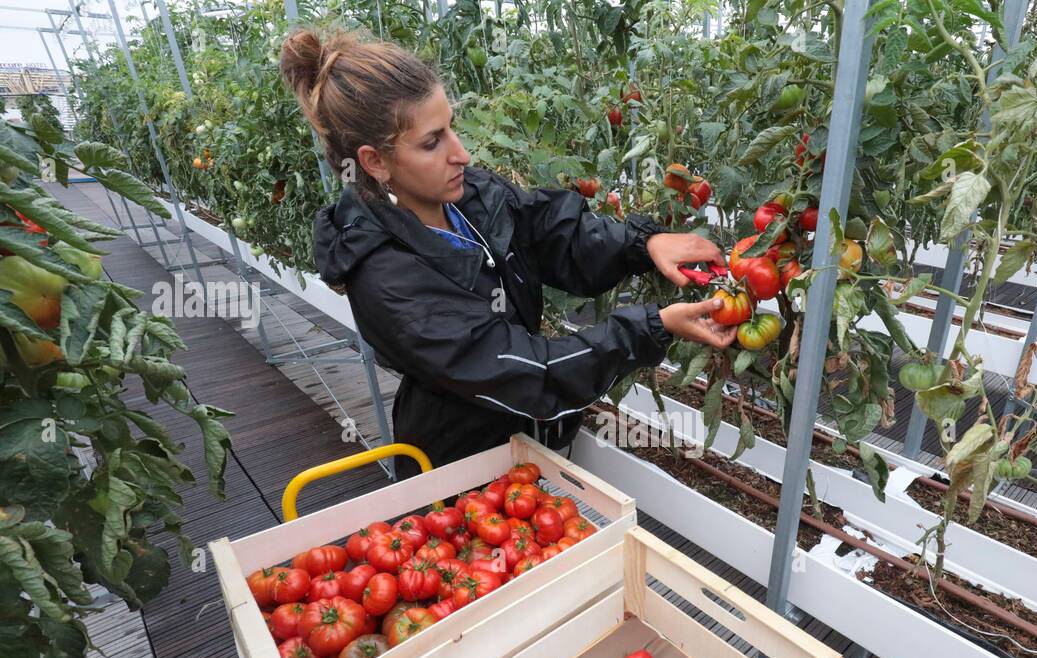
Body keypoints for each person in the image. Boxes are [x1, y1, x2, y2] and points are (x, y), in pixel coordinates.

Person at [280, 27, 735, 477]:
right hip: (463, 471)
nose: (460, 153)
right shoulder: (386, 277)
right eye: (432, 141)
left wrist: (642, 242)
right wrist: (652, 327)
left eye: (451, 128)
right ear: (374, 161)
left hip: (534, 439)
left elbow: (554, 230)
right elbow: (524, 372)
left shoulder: (469, 196)